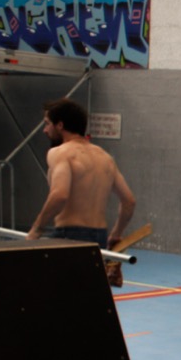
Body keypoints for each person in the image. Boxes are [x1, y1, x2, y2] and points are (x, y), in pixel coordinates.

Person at [26, 98, 135, 250]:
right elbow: (129, 201)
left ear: (60, 125)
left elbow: (60, 195)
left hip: (69, 235)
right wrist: (116, 234)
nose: (45, 130)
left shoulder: (60, 153)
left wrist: (36, 230)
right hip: (100, 236)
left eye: (47, 123)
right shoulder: (105, 157)